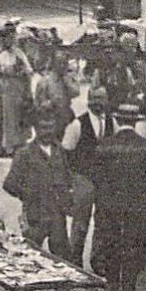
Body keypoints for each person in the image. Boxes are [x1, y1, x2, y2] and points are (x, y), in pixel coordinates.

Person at [1, 113, 86, 291]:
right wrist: (27, 195)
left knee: (62, 254)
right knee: (28, 256)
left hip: (57, 214)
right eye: (43, 128)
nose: (47, 132)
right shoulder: (24, 154)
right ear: (35, 129)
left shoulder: (59, 151)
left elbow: (66, 177)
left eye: (50, 127)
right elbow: (9, 184)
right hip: (35, 215)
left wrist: (68, 197)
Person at [90, 104, 146, 291]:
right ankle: (129, 284)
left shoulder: (104, 145)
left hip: (110, 201)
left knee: (111, 239)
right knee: (133, 241)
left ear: (117, 120)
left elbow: (96, 176)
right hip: (137, 202)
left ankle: (113, 281)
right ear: (135, 122)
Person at [60, 86, 108, 265]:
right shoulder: (77, 124)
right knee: (81, 223)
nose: (98, 102)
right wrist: (71, 180)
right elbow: (66, 153)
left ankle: (98, 261)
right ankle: (74, 262)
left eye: (102, 99)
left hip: (104, 179)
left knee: (103, 221)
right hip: (83, 178)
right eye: (95, 98)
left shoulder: (112, 122)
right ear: (88, 100)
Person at [0, 24, 34, 156]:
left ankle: (13, 146)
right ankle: (0, 146)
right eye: (4, 38)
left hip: (15, 87)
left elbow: (27, 71)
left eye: (9, 38)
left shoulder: (18, 54)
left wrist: (27, 89)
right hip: (0, 87)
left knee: (13, 116)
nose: (6, 41)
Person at [31, 49, 77, 134]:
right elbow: (39, 105)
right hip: (51, 121)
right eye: (59, 63)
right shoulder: (45, 81)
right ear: (53, 64)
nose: (62, 66)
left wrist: (66, 80)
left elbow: (75, 93)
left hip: (66, 117)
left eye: (65, 63)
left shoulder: (67, 79)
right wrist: (50, 103)